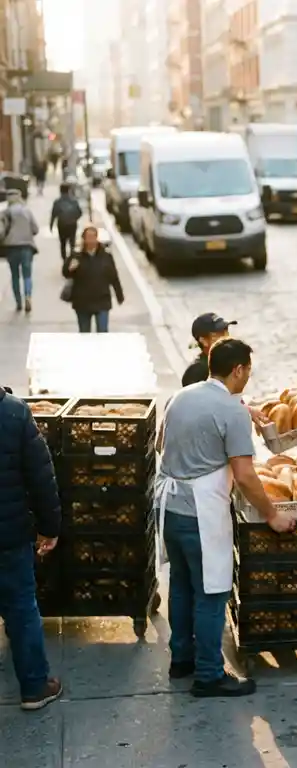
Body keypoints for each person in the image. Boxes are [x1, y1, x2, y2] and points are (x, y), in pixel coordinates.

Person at [155, 339, 296, 698]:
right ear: (238, 370)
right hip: (200, 513)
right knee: (211, 592)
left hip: (170, 509)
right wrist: (272, 515)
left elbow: (160, 446)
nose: (248, 377)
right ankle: (208, 675)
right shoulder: (232, 411)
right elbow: (245, 475)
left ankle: (181, 660)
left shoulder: (180, 397)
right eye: (248, 370)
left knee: (181, 585)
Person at [0, 385, 62, 711]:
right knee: (22, 608)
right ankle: (35, 687)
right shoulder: (14, 412)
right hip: (9, 535)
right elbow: (41, 477)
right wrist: (49, 528)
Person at [62, 224, 124, 333]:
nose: (91, 240)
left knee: (102, 332)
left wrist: (119, 295)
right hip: (82, 302)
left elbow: (113, 277)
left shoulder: (106, 256)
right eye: (88, 237)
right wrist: (70, 268)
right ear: (84, 239)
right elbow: (65, 273)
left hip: (102, 301)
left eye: (93, 237)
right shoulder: (76, 255)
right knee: (84, 333)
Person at [2, 189, 40, 313]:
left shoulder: (5, 213)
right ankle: (28, 296)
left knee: (15, 275)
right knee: (27, 275)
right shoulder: (27, 211)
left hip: (11, 247)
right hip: (26, 246)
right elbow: (35, 229)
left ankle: (18, 302)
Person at [181, 313, 237, 387]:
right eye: (218, 335)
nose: (226, 337)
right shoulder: (197, 372)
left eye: (226, 331)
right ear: (204, 341)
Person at [50, 182, 83, 261]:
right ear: (69, 190)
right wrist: (74, 219)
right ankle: (72, 257)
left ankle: (64, 259)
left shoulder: (57, 202)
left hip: (62, 224)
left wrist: (51, 225)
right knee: (72, 242)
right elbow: (80, 212)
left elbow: (54, 214)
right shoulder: (74, 201)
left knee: (63, 243)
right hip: (72, 224)